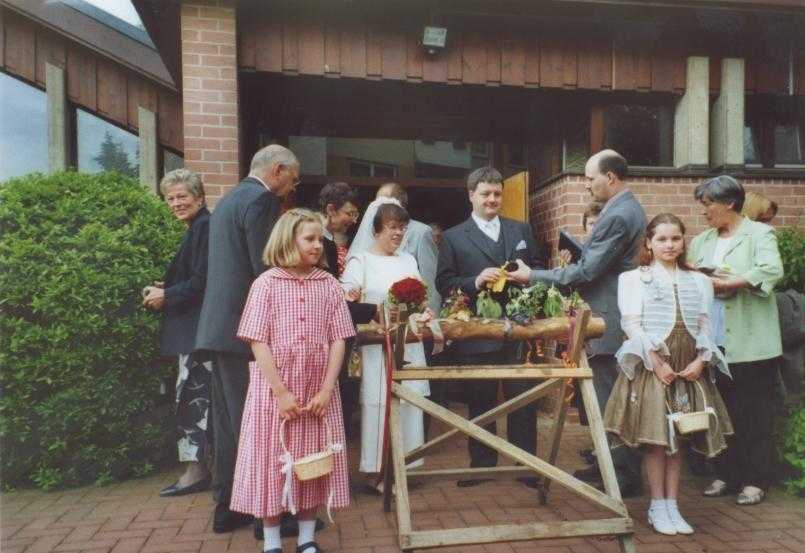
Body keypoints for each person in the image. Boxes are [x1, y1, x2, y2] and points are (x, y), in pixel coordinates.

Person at [509, 149, 646, 497]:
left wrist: (531, 275)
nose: (587, 185)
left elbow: (587, 271)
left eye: (590, 178)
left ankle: (623, 476)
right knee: (605, 399)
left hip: (608, 318)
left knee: (610, 399)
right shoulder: (623, 208)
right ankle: (610, 465)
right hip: (607, 312)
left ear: (610, 178)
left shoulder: (618, 214)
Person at [231, 209, 354, 553]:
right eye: (309, 239)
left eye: (320, 239)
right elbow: (258, 340)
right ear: (288, 241)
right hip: (276, 389)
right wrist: (281, 392)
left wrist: (328, 388)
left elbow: (339, 339)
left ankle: (306, 538)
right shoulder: (265, 284)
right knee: (274, 460)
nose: (318, 246)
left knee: (314, 460)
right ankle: (271, 541)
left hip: (317, 388)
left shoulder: (329, 284)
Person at [604, 213, 733, 535]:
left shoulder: (699, 280)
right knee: (658, 440)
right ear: (648, 242)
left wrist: (702, 360)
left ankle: (673, 505)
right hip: (655, 365)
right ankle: (657, 505)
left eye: (675, 238)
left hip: (687, 365)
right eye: (661, 239)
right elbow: (632, 323)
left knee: (682, 437)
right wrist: (655, 361)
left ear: (683, 241)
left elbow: (706, 325)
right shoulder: (634, 278)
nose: (669, 245)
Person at [195, 145, 300, 533]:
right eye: (293, 179)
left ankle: (228, 509)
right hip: (249, 332)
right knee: (260, 424)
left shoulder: (228, 200)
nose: (292, 187)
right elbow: (266, 267)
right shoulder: (260, 201)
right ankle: (267, 516)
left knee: (228, 425)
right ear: (278, 170)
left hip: (220, 328)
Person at [436, 166, 543, 487]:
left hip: (520, 328)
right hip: (477, 330)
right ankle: (482, 464)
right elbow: (444, 282)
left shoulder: (520, 229)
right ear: (472, 196)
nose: (492, 199)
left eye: (497, 193)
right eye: (485, 194)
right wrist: (474, 280)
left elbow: (537, 269)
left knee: (522, 399)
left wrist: (528, 271)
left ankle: (527, 467)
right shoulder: (454, 237)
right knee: (480, 400)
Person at [688, 175, 784, 506]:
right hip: (713, 340)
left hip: (751, 340)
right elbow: (690, 275)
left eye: (707, 204)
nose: (703, 211)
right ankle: (725, 474)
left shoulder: (760, 234)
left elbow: (771, 271)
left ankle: (756, 480)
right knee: (719, 410)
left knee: (753, 412)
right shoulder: (701, 241)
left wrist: (734, 283)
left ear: (729, 203)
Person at [341, 201, 431, 494]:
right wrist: (354, 296)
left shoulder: (409, 260)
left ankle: (405, 465)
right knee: (379, 402)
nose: (399, 234)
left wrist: (423, 312)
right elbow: (347, 297)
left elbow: (422, 298)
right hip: (378, 346)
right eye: (393, 228)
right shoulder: (360, 261)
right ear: (377, 229)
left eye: (402, 228)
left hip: (409, 342)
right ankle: (377, 471)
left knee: (408, 401)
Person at [143, 169, 212, 497]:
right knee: (193, 400)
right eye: (170, 198)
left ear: (199, 197)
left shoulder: (203, 228)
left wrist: (166, 295)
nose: (175, 203)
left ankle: (195, 473)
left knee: (192, 401)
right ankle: (196, 470)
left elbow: (202, 282)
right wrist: (167, 288)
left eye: (182, 196)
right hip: (193, 332)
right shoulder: (197, 228)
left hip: (196, 334)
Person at [317, 182, 376, 435]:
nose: (353, 220)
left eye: (355, 214)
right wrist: (371, 311)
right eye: (348, 213)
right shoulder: (318, 241)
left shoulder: (330, 241)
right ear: (331, 209)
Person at [375, 182, 441, 313]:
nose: (376, 207)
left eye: (382, 202)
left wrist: (432, 321)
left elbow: (430, 281)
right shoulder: (375, 231)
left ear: (400, 204)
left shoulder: (421, 232)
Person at [558, 201, 603, 266]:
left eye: (598, 223)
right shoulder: (579, 250)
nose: (594, 228)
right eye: (591, 224)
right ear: (585, 227)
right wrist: (567, 264)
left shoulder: (607, 248)